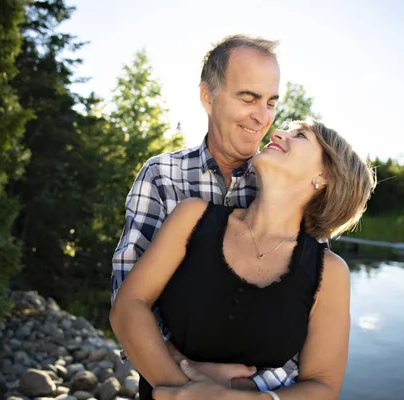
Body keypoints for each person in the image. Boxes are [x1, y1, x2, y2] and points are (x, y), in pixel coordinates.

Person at [110, 119, 376, 400]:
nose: (277, 133)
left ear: (324, 176)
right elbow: (129, 305)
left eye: (299, 135)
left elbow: (323, 385)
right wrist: (182, 391)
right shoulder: (192, 218)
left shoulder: (330, 273)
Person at [111, 34, 298, 392]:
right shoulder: (161, 176)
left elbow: (307, 316)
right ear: (207, 97)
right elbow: (128, 293)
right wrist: (186, 377)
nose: (262, 117)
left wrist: (245, 389)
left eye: (271, 102)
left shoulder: (289, 185)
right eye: (249, 98)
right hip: (164, 383)